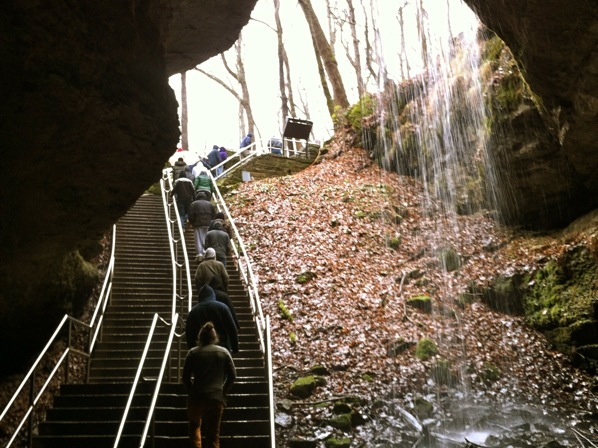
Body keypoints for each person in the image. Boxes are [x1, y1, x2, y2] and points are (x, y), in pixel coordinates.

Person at [183, 321, 236, 448]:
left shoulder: (192, 353)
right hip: (216, 397)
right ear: (214, 337)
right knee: (213, 434)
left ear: (200, 337)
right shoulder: (223, 352)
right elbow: (233, 375)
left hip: (196, 396)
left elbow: (185, 377)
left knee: (194, 427)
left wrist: (191, 391)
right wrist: (223, 391)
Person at [185, 284, 238, 353]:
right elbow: (232, 329)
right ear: (213, 295)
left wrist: (192, 349)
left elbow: (189, 333)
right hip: (222, 348)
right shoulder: (223, 307)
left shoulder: (193, 312)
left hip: (200, 350)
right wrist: (235, 348)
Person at [188, 192, 215, 259]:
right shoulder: (210, 204)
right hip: (208, 223)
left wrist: (192, 223)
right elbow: (214, 214)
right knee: (206, 238)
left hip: (198, 223)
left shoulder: (194, 204)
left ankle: (199, 253)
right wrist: (211, 222)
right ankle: (205, 252)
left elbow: (190, 214)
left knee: (198, 238)